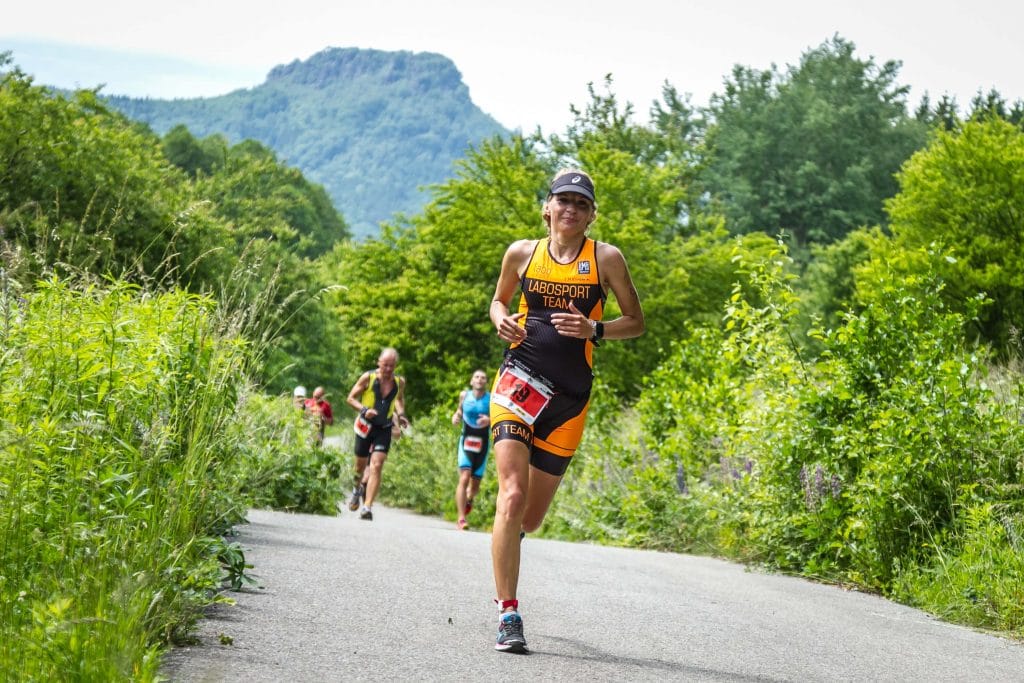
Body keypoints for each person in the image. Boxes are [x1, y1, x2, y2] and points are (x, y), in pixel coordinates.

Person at [487, 168, 645, 652]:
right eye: (564, 200)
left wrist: (595, 331)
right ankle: (508, 614)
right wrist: (502, 323)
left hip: (570, 399)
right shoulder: (522, 253)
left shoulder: (606, 259)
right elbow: (498, 301)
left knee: (529, 521)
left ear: (591, 214)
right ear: (548, 207)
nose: (571, 209)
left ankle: (509, 543)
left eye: (582, 203)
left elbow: (636, 323)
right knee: (511, 497)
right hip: (518, 383)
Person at [345, 347, 409, 521]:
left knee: (377, 464)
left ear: (395, 365)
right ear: (378, 363)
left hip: (384, 427)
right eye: (385, 365)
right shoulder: (368, 377)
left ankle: (367, 507)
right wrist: (364, 410)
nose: (388, 369)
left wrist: (401, 415)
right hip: (365, 426)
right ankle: (356, 489)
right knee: (359, 467)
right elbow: (350, 398)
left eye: (391, 366)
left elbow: (399, 399)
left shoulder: (399, 382)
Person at [451, 369, 491, 530]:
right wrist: (456, 416)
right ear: (471, 381)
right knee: (464, 477)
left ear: (486, 382)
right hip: (466, 440)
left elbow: (497, 418)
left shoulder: (491, 399)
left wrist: (490, 419)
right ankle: (461, 518)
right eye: (477, 377)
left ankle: (468, 498)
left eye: (483, 378)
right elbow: (459, 410)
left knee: (474, 487)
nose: (480, 380)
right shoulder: (464, 395)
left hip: (483, 444)